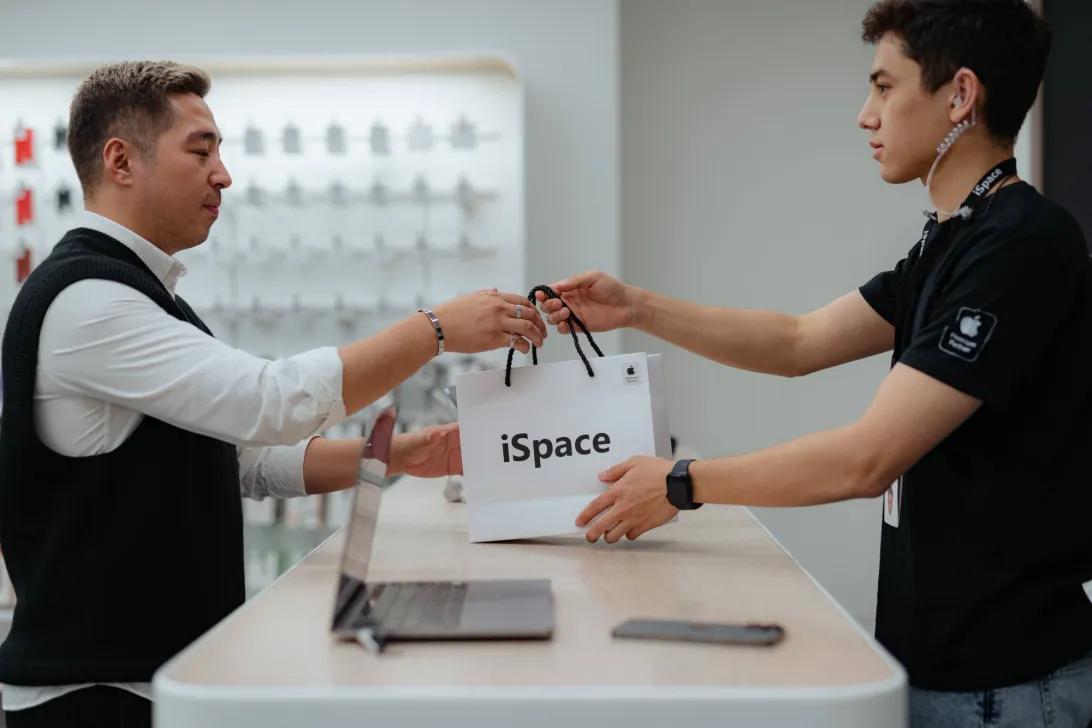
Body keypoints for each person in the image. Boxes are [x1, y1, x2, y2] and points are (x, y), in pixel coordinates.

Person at [539, 1, 1092, 726]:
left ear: (960, 94)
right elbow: (798, 342)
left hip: (1006, 687)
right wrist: (636, 307)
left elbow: (866, 461)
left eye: (885, 87)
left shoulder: (1019, 246)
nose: (866, 116)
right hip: (947, 671)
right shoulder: (953, 241)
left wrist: (681, 483)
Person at [0, 61, 546, 728]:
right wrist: (433, 330)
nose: (223, 175)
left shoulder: (140, 297)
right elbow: (271, 403)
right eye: (201, 151)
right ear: (121, 161)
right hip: (97, 697)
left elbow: (241, 460)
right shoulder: (91, 304)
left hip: (146, 681)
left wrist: (399, 455)